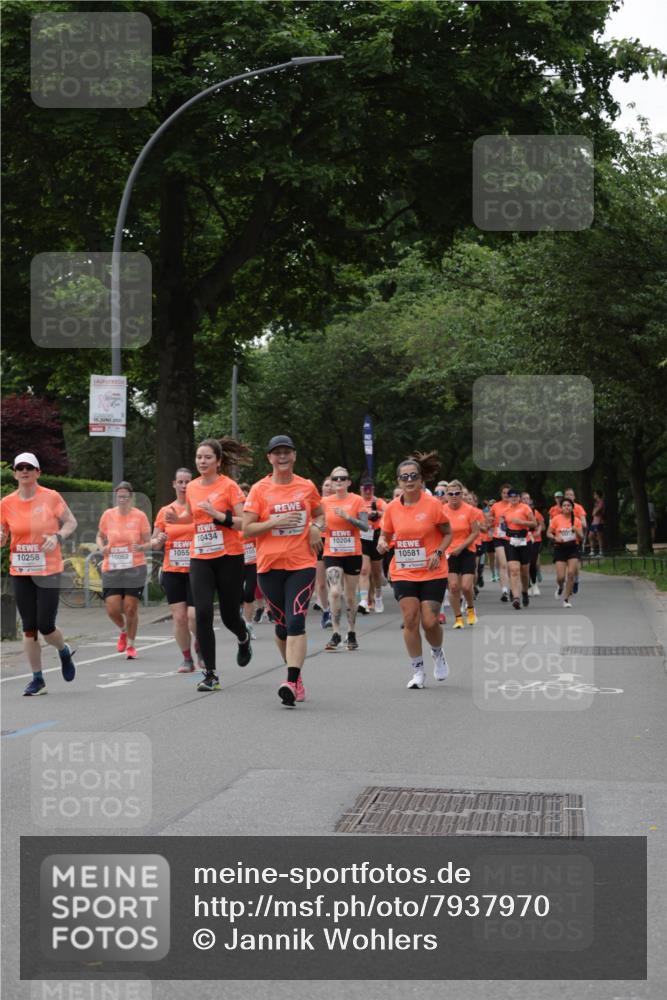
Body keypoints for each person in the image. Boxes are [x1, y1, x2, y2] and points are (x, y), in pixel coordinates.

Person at [243, 435, 324, 707]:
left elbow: (321, 513)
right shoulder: (259, 490)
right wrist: (273, 521)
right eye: (277, 453)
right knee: (282, 625)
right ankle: (296, 675)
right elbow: (247, 529)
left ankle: (290, 679)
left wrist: (316, 527)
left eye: (287, 452)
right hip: (268, 567)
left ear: (294, 456)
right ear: (269, 458)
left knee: (297, 619)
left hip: (301, 564)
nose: (282, 457)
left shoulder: (307, 486)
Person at [165, 437, 251, 692]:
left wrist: (218, 515)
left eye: (207, 457)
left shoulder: (230, 486)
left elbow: (244, 522)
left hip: (229, 556)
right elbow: (192, 516)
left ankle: (243, 636)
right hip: (200, 556)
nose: (202, 461)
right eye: (199, 457)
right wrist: (176, 519)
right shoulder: (191, 487)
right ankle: (210, 674)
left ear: (218, 461)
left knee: (228, 616)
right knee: (201, 612)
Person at [0, 452, 78, 696]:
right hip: (21, 570)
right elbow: (2, 534)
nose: (24, 471)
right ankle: (38, 679)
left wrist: (57, 536)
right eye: (20, 467)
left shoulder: (51, 497)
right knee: (29, 627)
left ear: (38, 472)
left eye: (29, 467)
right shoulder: (6, 503)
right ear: (14, 473)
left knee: (46, 625)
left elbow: (71, 523)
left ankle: (63, 650)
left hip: (48, 569)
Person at [377, 452, 452, 689]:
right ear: (398, 481)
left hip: (432, 570)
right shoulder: (391, 509)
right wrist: (381, 542)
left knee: (430, 622)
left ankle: (437, 653)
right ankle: (417, 670)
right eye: (404, 477)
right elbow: (385, 535)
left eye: (413, 476)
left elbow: (448, 533)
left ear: (421, 480)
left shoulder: (433, 505)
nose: (409, 480)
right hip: (404, 571)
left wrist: (438, 552)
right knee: (410, 619)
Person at [153, 467, 203, 672]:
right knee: (180, 617)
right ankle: (187, 658)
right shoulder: (166, 511)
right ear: (174, 484)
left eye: (187, 482)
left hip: (197, 569)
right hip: (172, 570)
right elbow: (154, 542)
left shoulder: (199, 509)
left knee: (193, 616)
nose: (183, 486)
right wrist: (159, 539)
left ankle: (200, 644)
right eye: (180, 482)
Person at [97, 481, 153, 660]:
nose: (122, 499)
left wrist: (142, 547)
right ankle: (123, 630)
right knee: (112, 609)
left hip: (134, 567)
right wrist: (101, 547)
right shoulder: (108, 515)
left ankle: (131, 644)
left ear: (131, 498)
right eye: (119, 496)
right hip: (112, 566)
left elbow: (148, 540)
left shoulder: (140, 516)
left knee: (130, 608)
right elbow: (99, 535)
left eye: (125, 496)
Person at [321, 467, 369, 651]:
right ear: (332, 482)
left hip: (352, 553)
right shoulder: (324, 502)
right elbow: (314, 522)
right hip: (332, 553)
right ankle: (335, 633)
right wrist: (319, 527)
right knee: (334, 592)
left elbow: (365, 527)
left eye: (343, 478)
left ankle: (351, 631)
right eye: (335, 478)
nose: (339, 481)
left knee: (350, 597)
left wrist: (348, 517)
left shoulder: (357, 500)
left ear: (349, 482)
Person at [443, 480, 480, 628]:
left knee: (465, 586)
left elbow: (475, 532)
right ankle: (458, 618)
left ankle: (470, 608)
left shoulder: (469, 510)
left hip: (467, 551)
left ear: (461, 494)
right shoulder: (442, 510)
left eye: (457, 493)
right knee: (453, 587)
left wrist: (461, 547)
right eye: (451, 493)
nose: (454, 496)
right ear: (446, 495)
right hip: (449, 552)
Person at [547, 497, 583, 607]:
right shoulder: (556, 519)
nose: (566, 507)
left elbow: (581, 536)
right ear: (561, 508)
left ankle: (566, 600)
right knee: (561, 577)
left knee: (571, 574)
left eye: (568, 505)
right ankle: (560, 586)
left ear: (572, 507)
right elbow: (548, 533)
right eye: (564, 505)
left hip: (572, 547)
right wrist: (555, 538)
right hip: (560, 548)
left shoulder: (576, 520)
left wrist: (576, 530)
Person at [504, 489, 537, 609]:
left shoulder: (525, 508)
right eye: (511, 497)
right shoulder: (505, 510)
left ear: (519, 498)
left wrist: (521, 522)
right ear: (508, 498)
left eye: (515, 497)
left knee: (524, 572)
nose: (513, 499)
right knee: (513, 570)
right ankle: (516, 598)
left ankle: (524, 591)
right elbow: (503, 525)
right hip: (511, 541)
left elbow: (534, 524)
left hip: (525, 541)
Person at [358, 476, 386, 614]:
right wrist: (365, 517)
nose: (368, 491)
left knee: (376, 572)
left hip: (376, 536)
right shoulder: (357, 501)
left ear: (373, 489)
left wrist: (377, 513)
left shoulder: (378, 501)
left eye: (370, 488)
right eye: (365, 488)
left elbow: (388, 513)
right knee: (364, 570)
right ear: (361, 489)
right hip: (362, 537)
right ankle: (364, 600)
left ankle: (378, 597)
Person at [314, 477, 334, 628]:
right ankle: (326, 611)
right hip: (319, 543)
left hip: (335, 544)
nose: (329, 487)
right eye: (326, 485)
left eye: (331, 485)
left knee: (334, 583)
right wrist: (316, 526)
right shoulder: (316, 503)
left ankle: (335, 610)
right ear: (322, 487)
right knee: (321, 583)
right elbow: (307, 520)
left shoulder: (339, 502)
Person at [489, 483, 512, 601]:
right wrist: (489, 522)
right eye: (503, 493)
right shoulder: (495, 506)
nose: (506, 495)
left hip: (512, 538)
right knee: (503, 564)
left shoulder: (516, 506)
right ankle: (504, 591)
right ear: (501, 494)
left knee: (511, 566)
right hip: (498, 537)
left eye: (508, 493)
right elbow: (490, 521)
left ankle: (513, 588)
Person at [521, 491, 544, 596]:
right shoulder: (518, 511)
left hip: (535, 539)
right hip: (522, 539)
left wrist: (538, 531)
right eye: (524, 498)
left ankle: (534, 584)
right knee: (525, 564)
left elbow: (541, 526)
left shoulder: (535, 512)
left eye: (528, 498)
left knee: (533, 562)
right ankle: (528, 586)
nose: (527, 500)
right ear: (520, 500)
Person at [590, 490, 605, 556]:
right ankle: (592, 551)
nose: (594, 496)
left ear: (597, 495)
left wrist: (595, 512)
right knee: (590, 536)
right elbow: (593, 513)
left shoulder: (601, 502)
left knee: (599, 537)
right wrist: (595, 512)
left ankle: (601, 552)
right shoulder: (596, 503)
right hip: (594, 522)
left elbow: (596, 512)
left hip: (599, 521)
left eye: (595, 494)